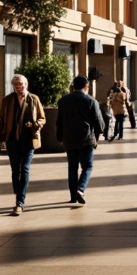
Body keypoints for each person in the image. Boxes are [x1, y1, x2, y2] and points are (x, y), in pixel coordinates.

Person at [0, 74, 45, 215]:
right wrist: (0, 136)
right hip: (12, 140)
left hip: (28, 140)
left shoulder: (34, 99)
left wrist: (35, 124)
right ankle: (18, 190)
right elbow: (0, 118)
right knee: (15, 170)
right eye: (16, 85)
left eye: (21, 85)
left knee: (25, 168)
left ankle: (19, 202)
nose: (19, 87)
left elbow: (42, 118)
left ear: (26, 84)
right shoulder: (8, 100)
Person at [56, 75, 105, 205]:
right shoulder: (90, 100)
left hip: (69, 139)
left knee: (72, 168)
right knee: (87, 166)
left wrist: (59, 136)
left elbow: (59, 121)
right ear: (86, 87)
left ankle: (73, 196)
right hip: (86, 139)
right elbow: (98, 121)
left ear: (73, 86)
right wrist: (98, 136)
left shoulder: (63, 101)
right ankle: (81, 189)